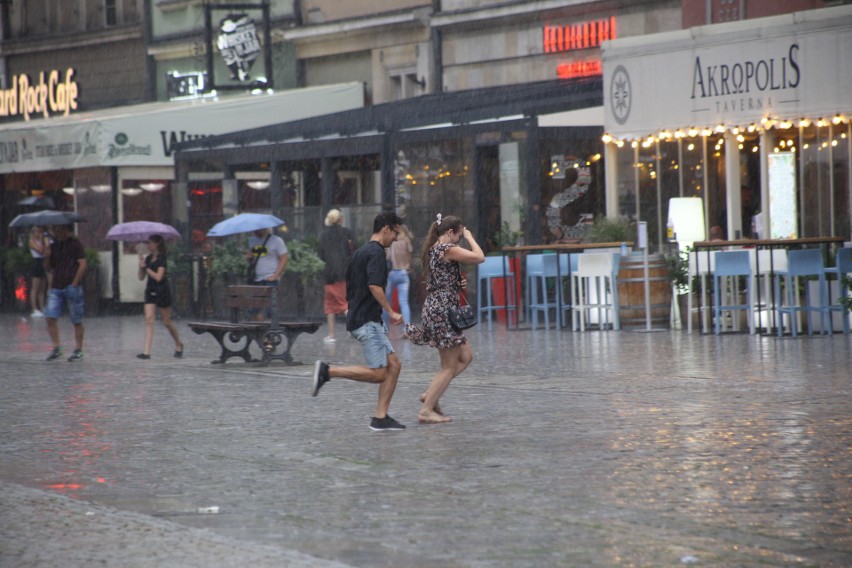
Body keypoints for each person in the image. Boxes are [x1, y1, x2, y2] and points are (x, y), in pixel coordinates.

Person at [311, 211, 406, 432]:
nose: (396, 238)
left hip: (363, 317)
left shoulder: (360, 252)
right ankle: (327, 371)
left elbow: (353, 287)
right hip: (367, 321)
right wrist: (391, 312)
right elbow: (374, 286)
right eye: (395, 233)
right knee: (379, 373)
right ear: (386, 229)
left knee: (394, 366)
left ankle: (380, 418)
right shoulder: (376, 253)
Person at [405, 214, 485, 425]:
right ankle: (427, 409)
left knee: (466, 356)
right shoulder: (446, 249)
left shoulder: (434, 250)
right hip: (442, 312)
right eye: (458, 236)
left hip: (441, 309)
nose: (460, 240)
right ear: (450, 233)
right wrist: (470, 237)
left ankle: (430, 395)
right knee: (448, 366)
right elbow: (479, 257)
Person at [136, 235, 184, 360]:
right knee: (149, 320)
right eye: (147, 243)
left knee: (166, 322)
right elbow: (141, 278)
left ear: (157, 244)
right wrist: (140, 264)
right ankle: (146, 352)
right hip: (150, 291)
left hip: (162, 291)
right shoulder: (148, 259)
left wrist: (146, 268)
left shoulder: (162, 258)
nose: (148, 245)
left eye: (150, 243)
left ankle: (178, 343)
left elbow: (158, 277)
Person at [44, 224, 87, 362]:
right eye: (55, 230)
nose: (56, 232)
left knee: (76, 320)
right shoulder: (54, 246)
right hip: (56, 286)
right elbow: (48, 267)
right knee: (50, 317)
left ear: (65, 230)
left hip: (71, 286)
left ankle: (78, 349)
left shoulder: (75, 244)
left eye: (58, 229)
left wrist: (75, 282)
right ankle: (56, 348)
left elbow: (83, 263)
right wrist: (47, 256)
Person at [318, 209, 355, 343]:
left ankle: (331, 335)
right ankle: (355, 327)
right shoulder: (346, 233)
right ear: (340, 219)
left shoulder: (324, 235)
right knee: (343, 303)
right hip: (342, 273)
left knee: (329, 306)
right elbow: (354, 249)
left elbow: (321, 255)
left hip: (329, 274)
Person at [245, 227, 288, 321]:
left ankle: (265, 333)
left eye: (258, 229)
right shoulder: (252, 240)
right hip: (256, 279)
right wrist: (249, 257)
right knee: (254, 309)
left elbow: (284, 258)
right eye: (255, 229)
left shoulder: (276, 241)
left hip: (270, 279)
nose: (255, 231)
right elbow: (251, 260)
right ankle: (257, 332)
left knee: (266, 310)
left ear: (265, 229)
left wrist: (276, 275)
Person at [384, 223, 413, 337]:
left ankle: (385, 328)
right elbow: (410, 255)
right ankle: (407, 329)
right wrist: (408, 266)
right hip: (403, 273)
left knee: (386, 303)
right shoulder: (406, 240)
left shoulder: (392, 242)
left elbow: (387, 257)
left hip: (391, 273)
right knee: (404, 302)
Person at [28, 226, 50, 318]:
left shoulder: (42, 241)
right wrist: (42, 243)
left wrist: (45, 243)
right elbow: (40, 251)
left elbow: (47, 252)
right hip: (36, 262)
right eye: (37, 232)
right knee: (35, 288)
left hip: (42, 263)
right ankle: (34, 308)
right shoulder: (31, 241)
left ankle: (42, 307)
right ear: (33, 233)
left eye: (40, 232)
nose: (39, 233)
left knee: (42, 288)